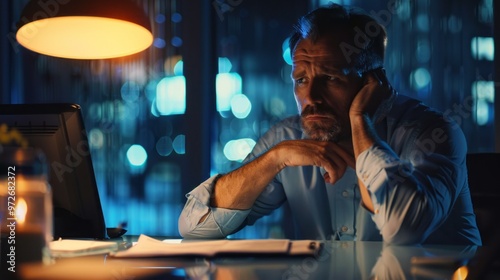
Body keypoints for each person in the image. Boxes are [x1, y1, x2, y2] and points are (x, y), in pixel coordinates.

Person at [178, 3, 482, 245]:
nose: (311, 96)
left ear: (372, 82)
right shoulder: (287, 138)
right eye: (301, 80)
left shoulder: (432, 133)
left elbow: (403, 229)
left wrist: (360, 120)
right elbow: (193, 226)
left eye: (331, 78)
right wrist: (275, 159)